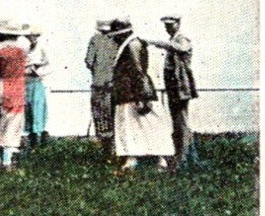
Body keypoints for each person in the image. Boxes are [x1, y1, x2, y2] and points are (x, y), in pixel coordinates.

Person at [108, 18, 174, 170]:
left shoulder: (133, 45)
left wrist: (142, 96)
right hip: (127, 93)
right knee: (130, 126)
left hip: (134, 92)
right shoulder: (130, 44)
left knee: (147, 124)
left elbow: (139, 71)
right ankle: (133, 157)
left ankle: (159, 158)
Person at [142, 14, 199, 171]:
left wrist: (154, 42)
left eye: (170, 24)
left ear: (178, 23)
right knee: (179, 123)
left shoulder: (182, 39)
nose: (168, 28)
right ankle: (188, 159)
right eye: (166, 25)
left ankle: (181, 161)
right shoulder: (174, 40)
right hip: (174, 88)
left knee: (181, 123)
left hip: (181, 87)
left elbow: (177, 47)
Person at [0, 20, 28, 169]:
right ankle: (8, 160)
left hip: (2, 86)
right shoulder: (23, 48)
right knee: (14, 123)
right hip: (19, 87)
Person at [82, 17, 116, 148]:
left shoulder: (95, 40)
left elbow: (89, 61)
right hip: (114, 85)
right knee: (115, 116)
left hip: (99, 85)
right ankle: (116, 149)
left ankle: (106, 149)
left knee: (101, 117)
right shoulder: (117, 41)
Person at [23, 24, 50, 149]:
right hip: (26, 82)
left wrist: (37, 70)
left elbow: (49, 64)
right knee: (28, 109)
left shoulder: (42, 47)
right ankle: (32, 138)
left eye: (33, 36)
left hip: (38, 81)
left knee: (38, 108)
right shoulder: (26, 48)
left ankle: (41, 136)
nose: (31, 38)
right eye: (29, 36)